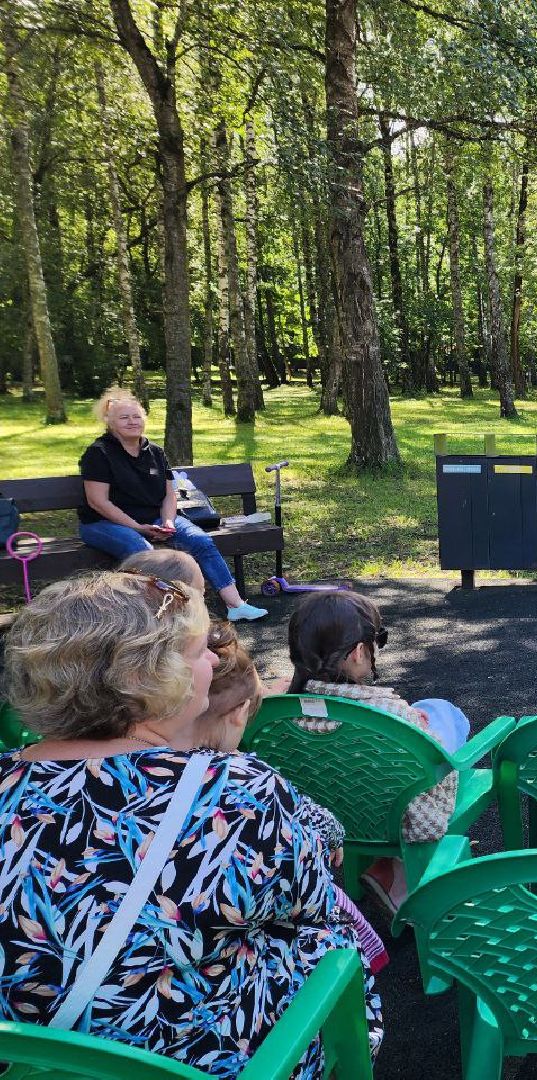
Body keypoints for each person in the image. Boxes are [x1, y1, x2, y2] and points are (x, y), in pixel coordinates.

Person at [0, 572, 381, 1075]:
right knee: (335, 943)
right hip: (190, 1056)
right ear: (145, 677)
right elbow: (310, 907)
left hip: (30, 1059)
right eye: (199, 651)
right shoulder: (234, 794)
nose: (214, 662)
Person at [199, 621, 388, 974]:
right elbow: (313, 831)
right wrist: (332, 835)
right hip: (254, 971)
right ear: (239, 714)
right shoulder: (252, 784)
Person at [285, 591, 471, 912]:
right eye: (378, 640)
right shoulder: (391, 713)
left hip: (330, 805)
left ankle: (387, 868)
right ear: (359, 652)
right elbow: (434, 758)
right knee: (446, 713)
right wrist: (414, 722)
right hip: (398, 816)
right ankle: (400, 870)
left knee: (428, 708)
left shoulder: (275, 710)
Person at [77, 388, 267, 622]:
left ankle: (235, 604)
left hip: (154, 519)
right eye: (124, 417)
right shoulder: (98, 453)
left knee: (201, 541)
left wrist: (168, 522)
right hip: (103, 523)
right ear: (110, 422)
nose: (132, 422)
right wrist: (138, 527)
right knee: (142, 550)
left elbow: (168, 494)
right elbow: (98, 502)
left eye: (136, 416)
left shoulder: (155, 452)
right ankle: (167, 615)